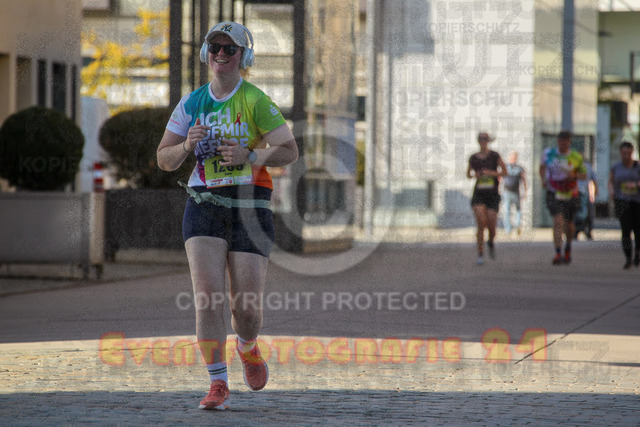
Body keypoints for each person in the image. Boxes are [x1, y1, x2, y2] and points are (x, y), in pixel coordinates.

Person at [156, 21, 298, 410]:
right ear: (206, 53)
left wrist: (250, 155)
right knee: (207, 297)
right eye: (215, 47)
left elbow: (290, 151)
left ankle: (247, 346)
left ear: (243, 57)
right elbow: (164, 159)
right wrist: (186, 146)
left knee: (246, 308)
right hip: (204, 203)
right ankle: (217, 382)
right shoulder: (191, 103)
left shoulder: (255, 100)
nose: (220, 54)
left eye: (229, 49)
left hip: (250, 207)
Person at [539, 130, 586, 265]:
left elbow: (583, 175)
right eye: (561, 141)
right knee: (558, 221)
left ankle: (568, 247)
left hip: (571, 193)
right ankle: (558, 252)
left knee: (569, 224)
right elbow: (541, 167)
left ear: (569, 142)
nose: (563, 144)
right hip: (554, 192)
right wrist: (543, 180)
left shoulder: (576, 156)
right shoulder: (549, 154)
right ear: (558, 141)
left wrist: (574, 176)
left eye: (566, 141)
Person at [467, 131, 507, 265]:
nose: (483, 141)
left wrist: (490, 173)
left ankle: (490, 241)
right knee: (481, 222)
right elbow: (468, 174)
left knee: (491, 225)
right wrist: (476, 175)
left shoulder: (495, 156)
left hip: (492, 194)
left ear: (488, 141)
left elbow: (505, 172)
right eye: (481, 139)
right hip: (479, 194)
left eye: (485, 139)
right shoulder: (473, 158)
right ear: (478, 141)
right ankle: (480, 253)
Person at [608, 142, 640, 269]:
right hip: (622, 200)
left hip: (637, 202)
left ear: (632, 152)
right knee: (626, 229)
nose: (626, 156)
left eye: (628, 153)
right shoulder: (616, 167)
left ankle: (637, 253)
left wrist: (636, 185)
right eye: (624, 153)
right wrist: (611, 191)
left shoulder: (637, 166)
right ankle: (628, 258)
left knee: (638, 230)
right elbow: (611, 181)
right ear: (621, 153)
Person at [502, 151, 527, 235]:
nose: (513, 159)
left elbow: (524, 180)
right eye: (512, 157)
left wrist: (525, 191)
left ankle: (517, 225)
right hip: (507, 191)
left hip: (516, 191)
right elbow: (500, 178)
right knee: (507, 211)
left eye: (514, 157)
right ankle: (508, 229)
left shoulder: (519, 168)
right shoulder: (505, 167)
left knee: (518, 209)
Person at [575, 158, 598, 240]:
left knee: (585, 212)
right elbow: (594, 179)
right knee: (582, 212)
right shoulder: (575, 165)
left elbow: (594, 179)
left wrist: (595, 191)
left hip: (583, 192)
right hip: (578, 193)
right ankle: (580, 230)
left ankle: (584, 230)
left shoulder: (587, 166)